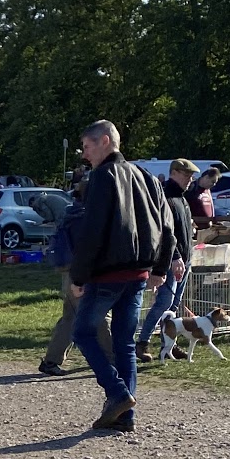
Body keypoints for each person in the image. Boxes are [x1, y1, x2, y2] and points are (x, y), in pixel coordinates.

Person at [68, 120, 174, 434]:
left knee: (83, 332)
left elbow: (93, 231)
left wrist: (79, 276)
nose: (85, 155)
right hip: (139, 273)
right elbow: (166, 227)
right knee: (125, 344)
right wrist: (160, 268)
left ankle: (117, 394)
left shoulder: (102, 177)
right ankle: (124, 416)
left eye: (86, 147)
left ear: (103, 141)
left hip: (108, 273)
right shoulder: (146, 176)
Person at [36, 179, 113, 377]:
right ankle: (113, 359)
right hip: (79, 273)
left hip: (70, 271)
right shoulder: (84, 217)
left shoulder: (73, 212)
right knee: (99, 317)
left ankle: (51, 361)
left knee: (70, 318)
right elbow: (86, 250)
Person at [136, 159, 196, 364]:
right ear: (175, 173)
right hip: (170, 260)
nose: (191, 179)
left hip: (184, 259)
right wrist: (176, 257)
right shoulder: (166, 196)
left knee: (174, 304)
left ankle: (168, 344)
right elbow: (164, 232)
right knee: (165, 302)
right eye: (187, 175)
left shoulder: (182, 198)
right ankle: (142, 342)